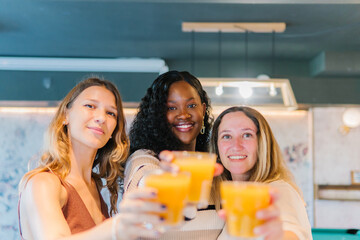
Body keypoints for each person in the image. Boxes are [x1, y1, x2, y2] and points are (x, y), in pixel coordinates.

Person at [18, 77, 166, 240]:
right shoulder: (43, 183)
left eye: (111, 113)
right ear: (65, 116)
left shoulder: (95, 187)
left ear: (113, 131)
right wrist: (115, 228)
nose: (101, 117)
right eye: (90, 106)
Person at [124, 70, 225, 239]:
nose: (184, 114)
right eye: (171, 108)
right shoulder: (144, 158)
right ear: (158, 116)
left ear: (203, 109)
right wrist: (166, 179)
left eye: (191, 105)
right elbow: (146, 180)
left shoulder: (210, 167)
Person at [211, 106, 312, 240]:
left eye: (247, 135)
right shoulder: (235, 198)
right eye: (227, 136)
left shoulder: (276, 191)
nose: (236, 145)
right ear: (217, 147)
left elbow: (289, 231)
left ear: (262, 143)